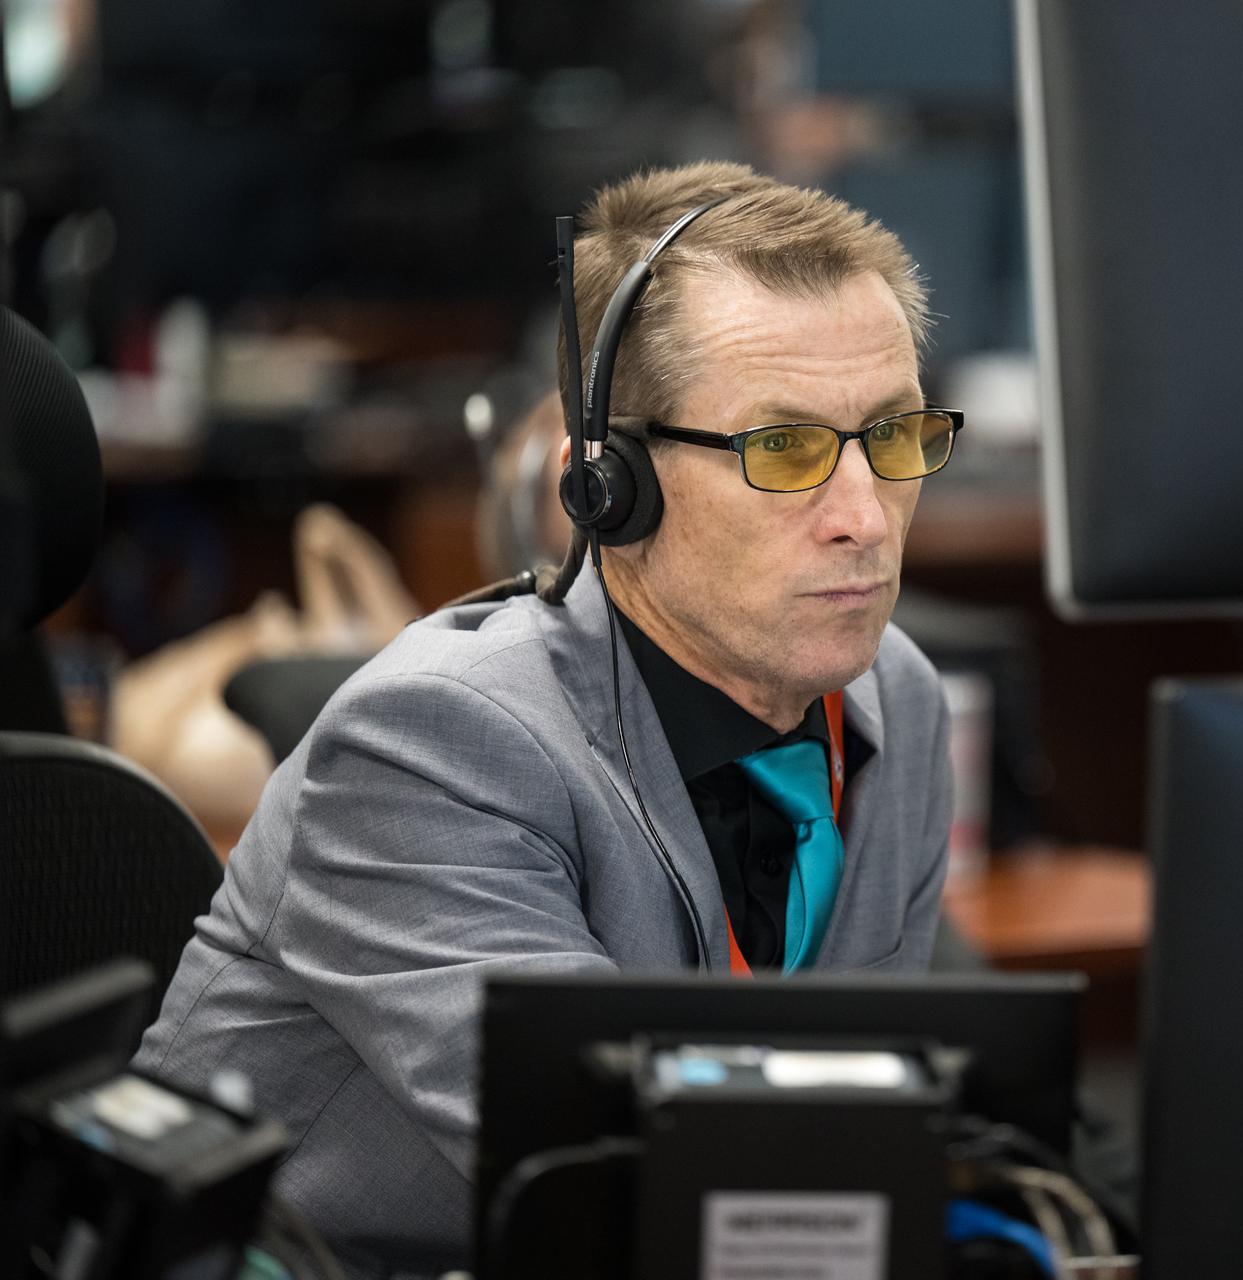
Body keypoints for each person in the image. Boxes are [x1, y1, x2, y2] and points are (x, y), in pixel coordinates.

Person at [132, 161, 960, 1277]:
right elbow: (619, 1177)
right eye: (785, 449)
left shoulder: (891, 695)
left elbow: (861, 1152)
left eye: (897, 435)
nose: (865, 517)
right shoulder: (431, 744)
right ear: (606, 486)